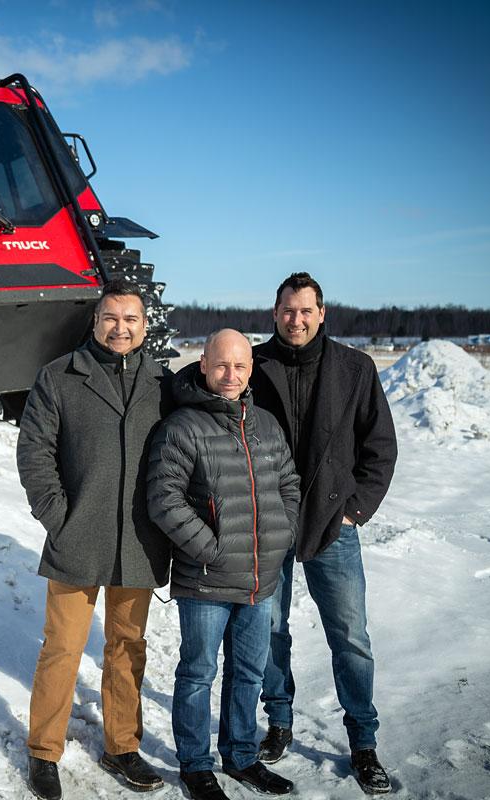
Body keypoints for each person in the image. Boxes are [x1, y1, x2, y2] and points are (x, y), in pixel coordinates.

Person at [16, 279, 173, 800]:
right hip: (76, 536)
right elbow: (34, 452)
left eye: (131, 319)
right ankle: (44, 753)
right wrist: (58, 516)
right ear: (96, 320)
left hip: (139, 539)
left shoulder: (162, 384)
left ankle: (122, 747)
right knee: (62, 648)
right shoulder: (60, 377)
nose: (120, 328)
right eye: (111, 317)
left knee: (127, 647)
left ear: (144, 326)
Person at [250, 272, 398, 795]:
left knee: (350, 637)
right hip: (268, 523)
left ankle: (363, 741)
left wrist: (355, 510)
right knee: (269, 630)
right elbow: (197, 385)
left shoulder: (354, 369)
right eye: (288, 310)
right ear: (275, 313)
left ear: (322, 312)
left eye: (305, 310)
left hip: (333, 524)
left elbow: (380, 446)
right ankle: (279, 722)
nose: (296, 319)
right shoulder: (253, 365)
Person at [147, 329, 301, 800]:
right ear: (204, 365)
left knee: (249, 673)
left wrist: (279, 538)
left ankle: (241, 756)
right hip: (207, 580)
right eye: (221, 366)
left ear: (250, 369)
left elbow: (289, 485)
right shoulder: (183, 426)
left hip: (260, 578)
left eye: (239, 366)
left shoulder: (267, 425)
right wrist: (209, 548)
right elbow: (163, 497)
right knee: (198, 673)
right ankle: (195, 765)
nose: (230, 375)